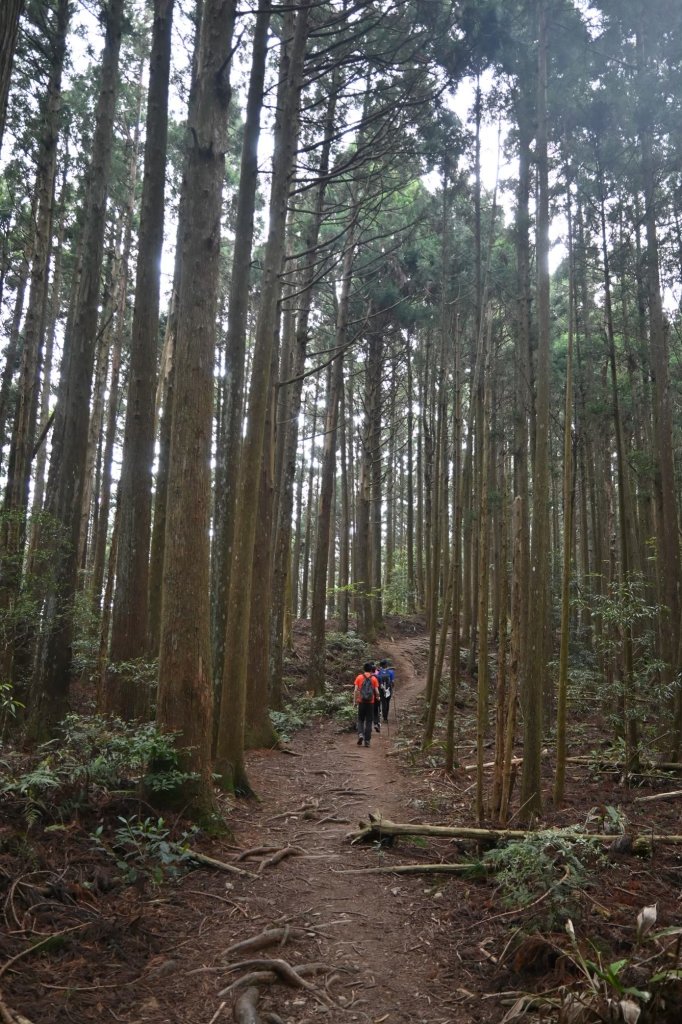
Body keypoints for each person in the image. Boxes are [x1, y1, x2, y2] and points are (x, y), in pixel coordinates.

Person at [353, 662, 379, 747]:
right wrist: (378, 697)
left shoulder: (359, 677)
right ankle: (367, 741)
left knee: (360, 719)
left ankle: (360, 734)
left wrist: (355, 701)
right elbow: (377, 691)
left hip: (361, 702)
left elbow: (356, 690)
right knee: (369, 721)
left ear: (364, 669)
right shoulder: (374, 678)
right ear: (371, 670)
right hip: (370, 703)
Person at [376, 658, 395, 724]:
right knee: (387, 702)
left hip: (381, 689)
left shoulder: (378, 672)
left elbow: (377, 681)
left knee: (383, 702)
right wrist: (392, 687)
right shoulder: (391, 672)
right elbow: (392, 682)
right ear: (386, 664)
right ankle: (386, 717)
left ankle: (384, 718)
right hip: (388, 689)